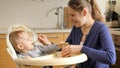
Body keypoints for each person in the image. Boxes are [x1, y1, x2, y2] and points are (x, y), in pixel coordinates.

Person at [61, 0, 116, 68]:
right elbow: (67, 46)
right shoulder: (76, 29)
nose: (70, 19)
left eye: (73, 15)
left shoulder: (101, 29)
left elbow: (111, 58)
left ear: (84, 12)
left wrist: (81, 48)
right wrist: (50, 44)